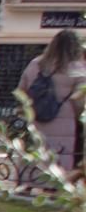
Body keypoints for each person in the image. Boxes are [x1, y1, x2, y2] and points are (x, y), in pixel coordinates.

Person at [16, 29, 86, 174]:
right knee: (59, 153)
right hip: (63, 120)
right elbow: (80, 99)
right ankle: (53, 186)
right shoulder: (78, 68)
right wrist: (77, 116)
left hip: (35, 115)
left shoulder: (36, 64)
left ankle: (27, 183)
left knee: (34, 149)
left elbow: (21, 90)